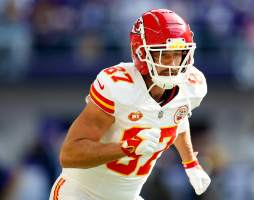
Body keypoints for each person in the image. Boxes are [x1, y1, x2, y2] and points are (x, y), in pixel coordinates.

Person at [49, 8, 211, 200]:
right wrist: (128, 147)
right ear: (141, 53)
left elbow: (177, 118)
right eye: (164, 55)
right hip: (81, 194)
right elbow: (70, 154)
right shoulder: (118, 87)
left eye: (179, 54)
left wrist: (190, 162)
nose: (174, 63)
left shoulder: (192, 86)